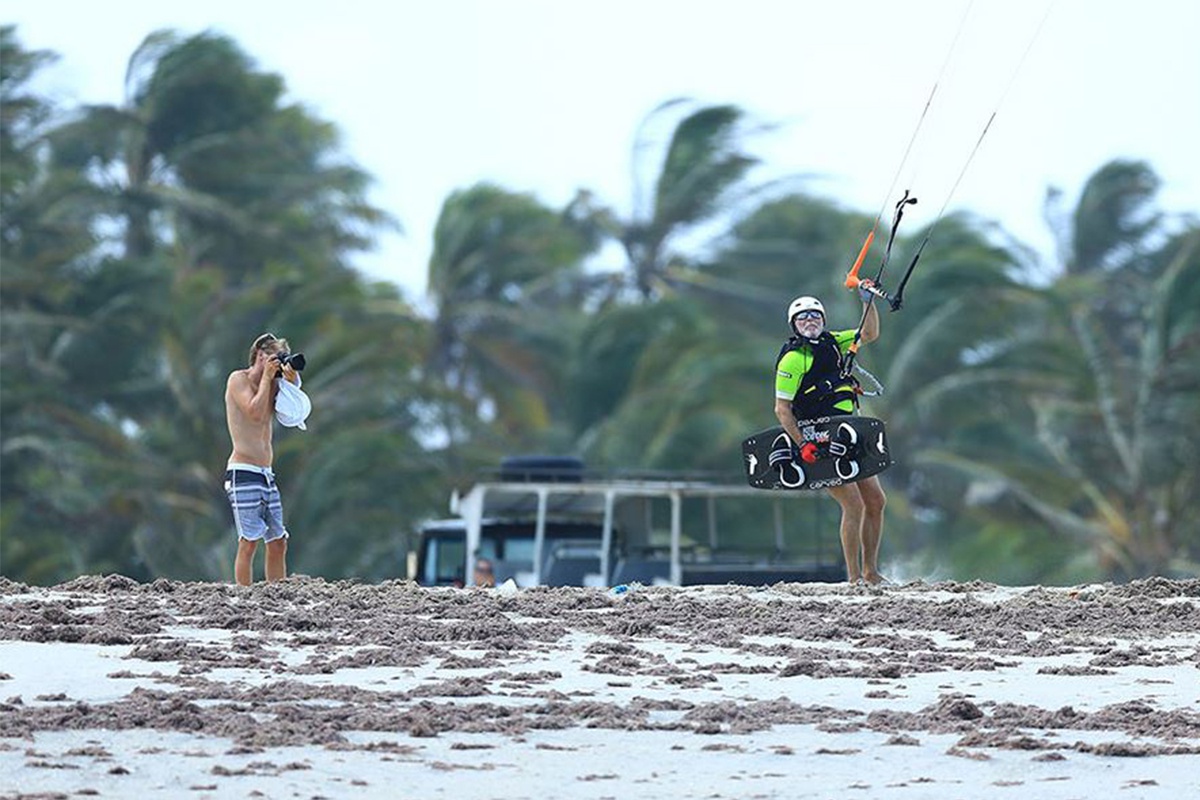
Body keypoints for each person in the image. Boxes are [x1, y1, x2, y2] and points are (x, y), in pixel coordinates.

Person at [773, 283, 888, 584]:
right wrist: (802, 445)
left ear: (823, 320)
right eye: (803, 318)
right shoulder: (793, 359)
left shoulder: (835, 342)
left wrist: (867, 302)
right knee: (853, 504)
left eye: (815, 316)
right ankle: (853, 578)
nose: (810, 321)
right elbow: (782, 409)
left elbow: (869, 333)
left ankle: (871, 572)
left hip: (848, 432)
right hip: (817, 438)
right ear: (794, 325)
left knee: (875, 500)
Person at [223, 332, 301, 586]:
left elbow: (293, 412)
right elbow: (255, 413)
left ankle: (276, 594)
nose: (277, 363)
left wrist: (290, 380)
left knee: (278, 540)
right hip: (243, 471)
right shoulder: (238, 380)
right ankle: (244, 597)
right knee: (249, 541)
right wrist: (267, 378)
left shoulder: (274, 385)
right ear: (259, 355)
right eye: (274, 357)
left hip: (266, 473)